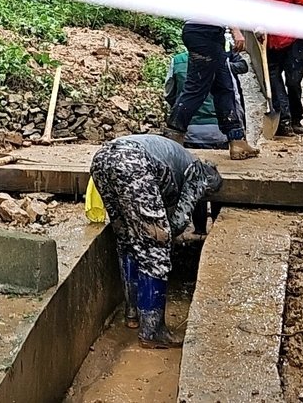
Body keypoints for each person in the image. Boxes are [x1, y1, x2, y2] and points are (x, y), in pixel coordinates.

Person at [90, 134, 223, 349]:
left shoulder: (180, 159)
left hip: (103, 158)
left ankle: (132, 314)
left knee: (127, 240)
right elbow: (178, 222)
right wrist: (162, 231)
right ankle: (153, 330)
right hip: (134, 163)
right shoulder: (200, 175)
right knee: (156, 247)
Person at [166, 0, 252, 159]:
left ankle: (236, 140)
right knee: (196, 87)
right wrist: (235, 29)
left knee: (223, 85)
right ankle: (174, 137)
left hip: (201, 29)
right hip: (205, 31)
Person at [249, 0, 303, 137]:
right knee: (274, 83)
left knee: (293, 82)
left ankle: (296, 118)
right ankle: (283, 121)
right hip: (269, 44)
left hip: (294, 42)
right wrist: (257, 26)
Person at [163, 44, 249, 149]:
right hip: (219, 134)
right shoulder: (222, 63)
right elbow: (234, 100)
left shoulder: (177, 61)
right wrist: (239, 133)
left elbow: (169, 95)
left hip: (187, 133)